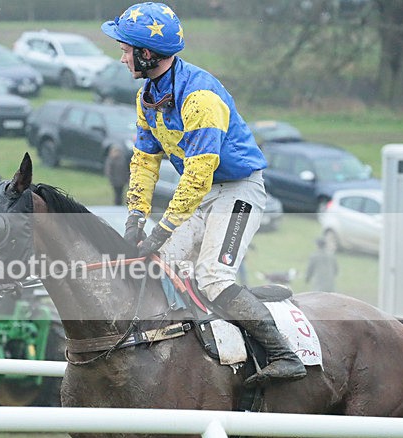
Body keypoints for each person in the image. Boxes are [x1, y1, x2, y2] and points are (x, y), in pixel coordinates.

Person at [101, 2, 306, 387]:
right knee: (155, 268)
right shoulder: (148, 97)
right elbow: (145, 162)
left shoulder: (200, 98)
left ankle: (283, 354)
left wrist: (158, 231)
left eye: (126, 49)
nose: (122, 56)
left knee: (212, 274)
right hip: (202, 193)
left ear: (147, 53)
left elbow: (197, 175)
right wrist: (134, 220)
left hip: (237, 189)